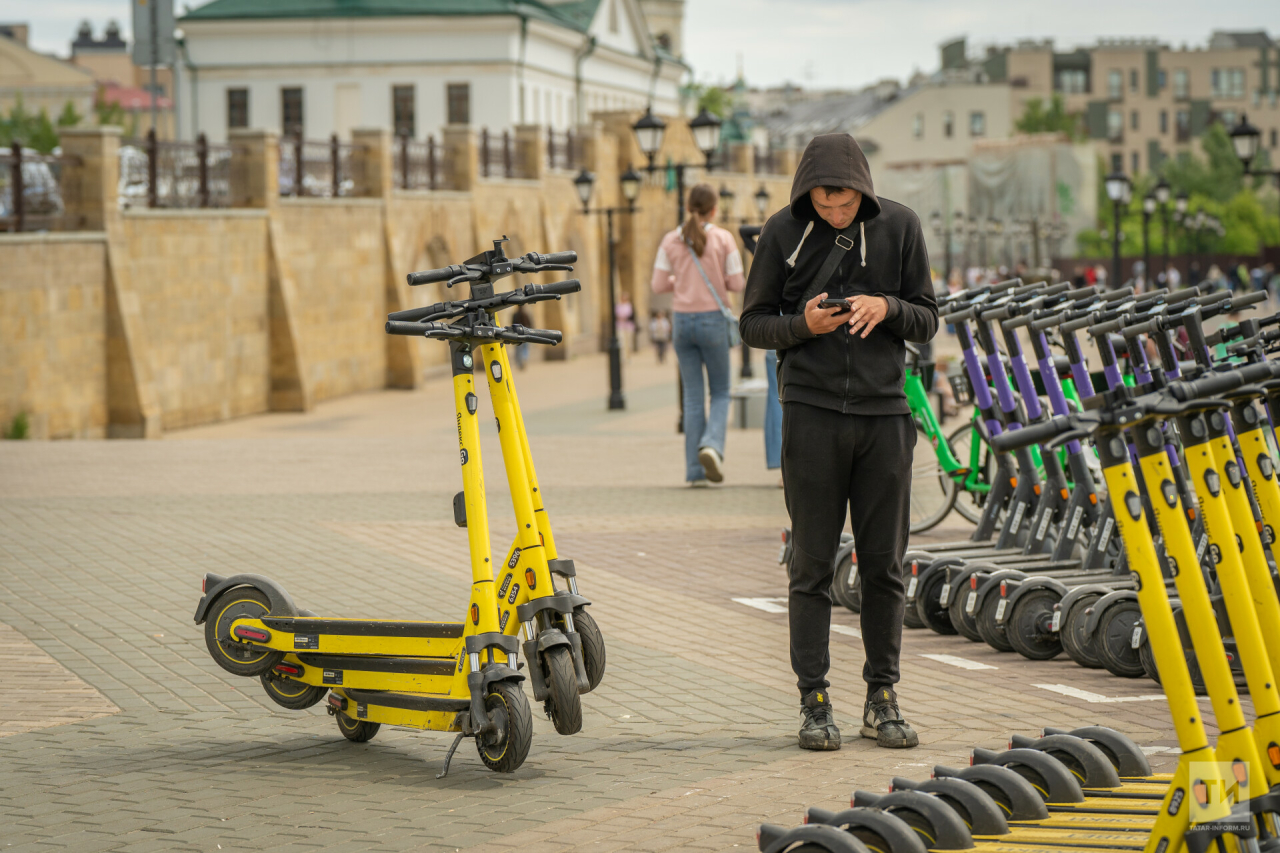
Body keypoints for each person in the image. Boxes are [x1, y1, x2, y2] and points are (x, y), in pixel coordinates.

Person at [740, 133, 938, 751]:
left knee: (885, 565)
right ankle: (814, 700)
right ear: (807, 193)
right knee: (813, 562)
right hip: (813, 412)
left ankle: (883, 696)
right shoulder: (781, 232)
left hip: (884, 415)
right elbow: (752, 323)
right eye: (824, 204)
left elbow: (928, 316)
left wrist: (887, 307)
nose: (835, 213)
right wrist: (804, 326)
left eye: (845, 202)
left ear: (863, 190)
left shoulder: (901, 227)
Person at [650, 182, 746, 486]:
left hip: (682, 322)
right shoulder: (723, 239)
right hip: (714, 321)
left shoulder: (671, 240)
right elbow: (737, 283)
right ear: (715, 208)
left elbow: (657, 285)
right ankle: (712, 446)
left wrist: (681, 279)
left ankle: (694, 472)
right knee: (719, 391)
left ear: (689, 207)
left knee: (692, 398)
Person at [511, 305, 533, 369]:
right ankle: (524, 359)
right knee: (525, 348)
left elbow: (512, 324)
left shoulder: (515, 315)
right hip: (526, 333)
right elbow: (530, 324)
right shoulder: (526, 314)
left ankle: (520, 361)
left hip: (518, 334)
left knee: (519, 349)